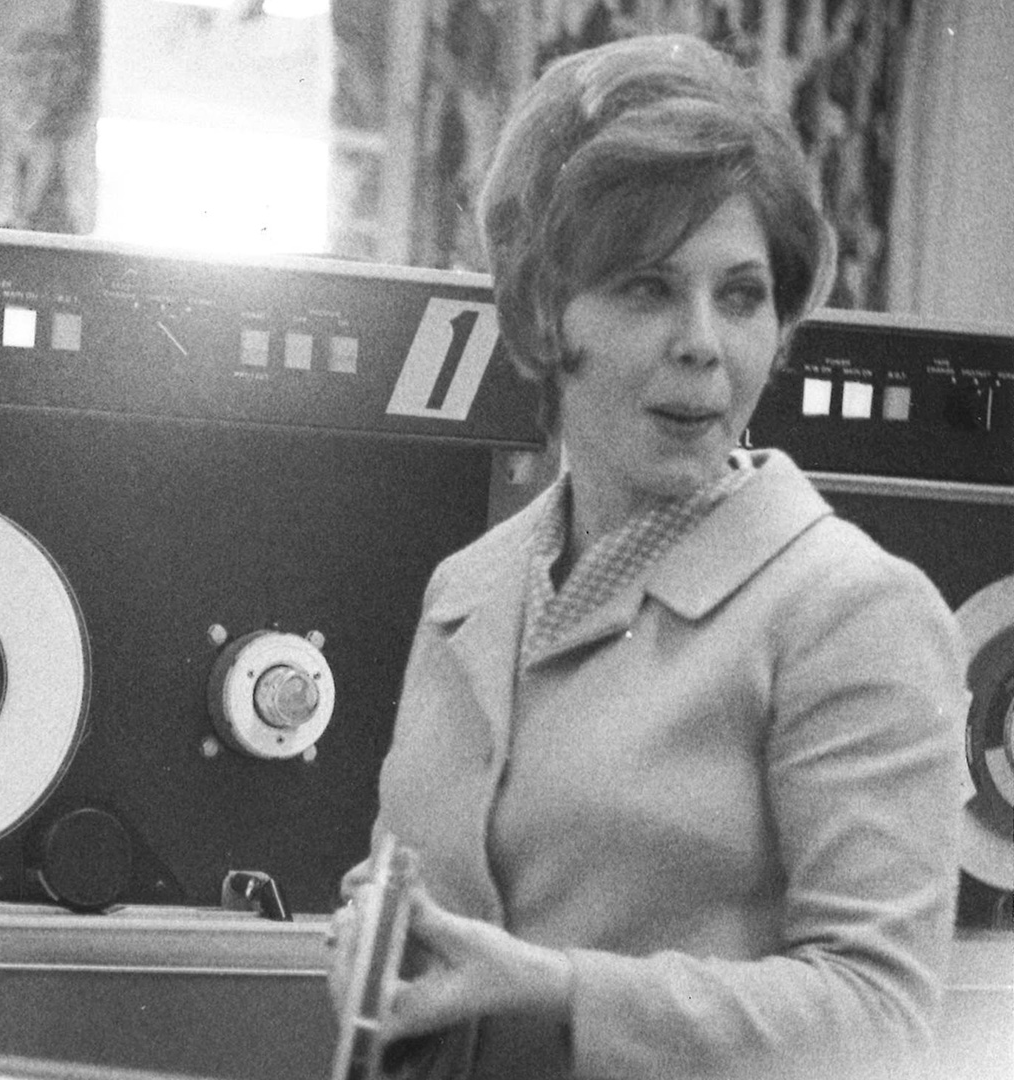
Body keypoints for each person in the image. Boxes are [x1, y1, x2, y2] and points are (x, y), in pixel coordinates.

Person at [330, 33, 970, 1080]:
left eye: (743, 294)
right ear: (544, 315)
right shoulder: (471, 589)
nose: (703, 342)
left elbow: (881, 1023)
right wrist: (370, 928)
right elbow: (422, 881)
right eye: (646, 289)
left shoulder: (854, 610)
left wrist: (562, 996)